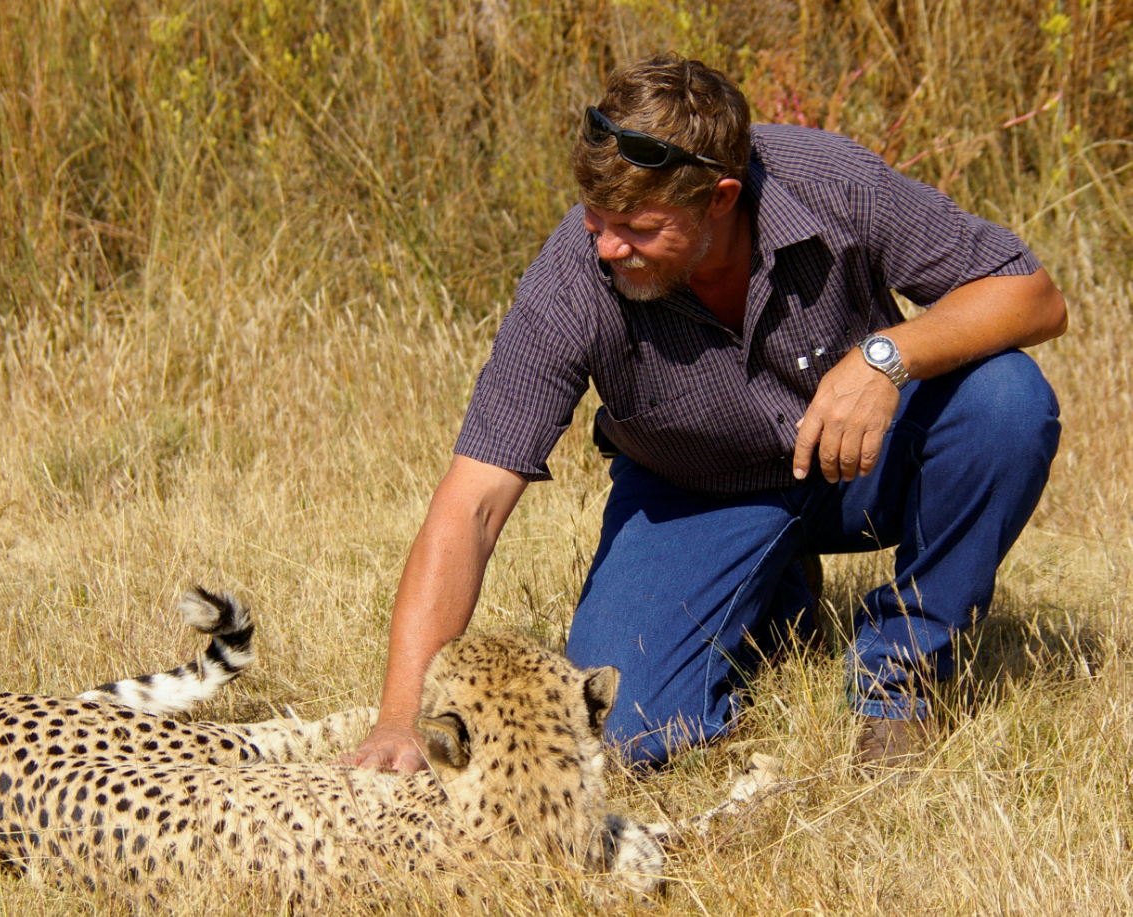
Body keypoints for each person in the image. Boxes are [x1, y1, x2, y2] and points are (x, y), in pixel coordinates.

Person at [344, 53, 1067, 772]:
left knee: (1006, 400)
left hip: (854, 460)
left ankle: (901, 678)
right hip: (695, 494)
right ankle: (774, 604)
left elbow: (1033, 296)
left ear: (721, 198)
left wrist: (885, 357)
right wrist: (401, 720)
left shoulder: (833, 183)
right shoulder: (572, 277)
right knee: (622, 734)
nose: (607, 246)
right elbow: (472, 503)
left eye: (638, 226)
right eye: (595, 217)